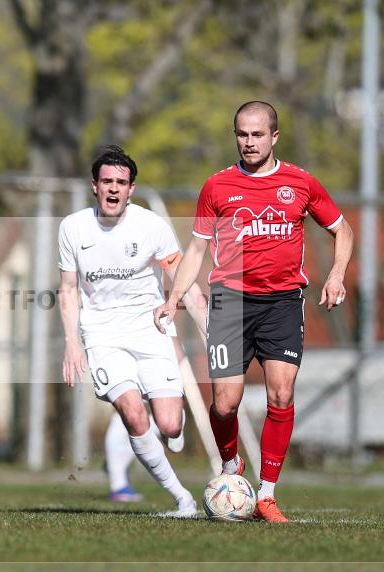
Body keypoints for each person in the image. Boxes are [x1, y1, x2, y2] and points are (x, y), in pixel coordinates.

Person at [155, 101, 354, 523]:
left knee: (281, 394)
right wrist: (174, 300)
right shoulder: (217, 187)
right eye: (242, 134)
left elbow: (343, 229)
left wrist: (336, 274)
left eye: (257, 134)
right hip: (229, 301)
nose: (249, 142)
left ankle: (266, 494)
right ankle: (231, 469)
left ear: (274, 137)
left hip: (282, 302)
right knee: (225, 403)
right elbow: (195, 250)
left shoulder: (300, 182)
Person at [59, 145, 207, 517]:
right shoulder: (73, 228)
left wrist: (207, 325)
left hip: (151, 331)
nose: (113, 188)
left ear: (131, 189)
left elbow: (181, 275)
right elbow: (68, 289)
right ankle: (182, 498)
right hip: (103, 336)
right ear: (94, 186)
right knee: (132, 412)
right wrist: (72, 343)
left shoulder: (151, 226)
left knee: (169, 426)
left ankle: (175, 426)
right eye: (106, 181)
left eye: (120, 183)